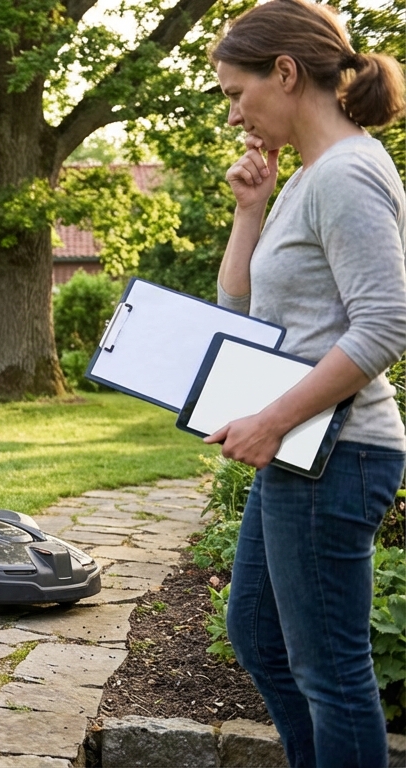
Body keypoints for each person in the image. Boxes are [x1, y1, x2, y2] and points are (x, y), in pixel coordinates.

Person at [208, 1, 406, 765]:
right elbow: (242, 308)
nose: (233, 114)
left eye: (235, 92)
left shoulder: (349, 174)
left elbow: (385, 326)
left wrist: (266, 420)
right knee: (258, 634)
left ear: (284, 72)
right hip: (302, 450)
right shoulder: (310, 178)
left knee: (332, 672)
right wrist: (250, 210)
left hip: (339, 452)